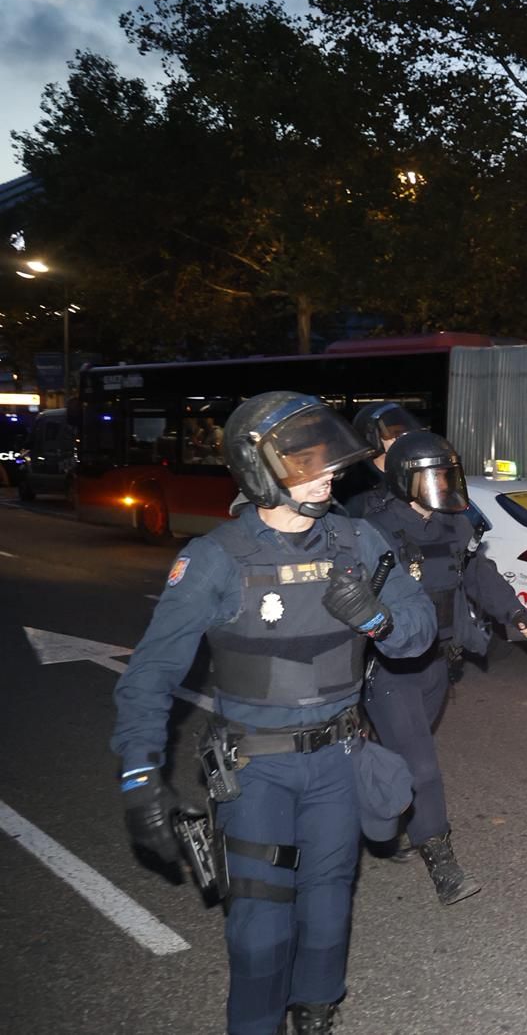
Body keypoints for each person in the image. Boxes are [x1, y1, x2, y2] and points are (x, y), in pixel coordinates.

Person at [111, 391, 437, 1035]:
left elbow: (419, 631)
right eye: (304, 463)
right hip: (254, 769)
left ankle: (317, 1011)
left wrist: (376, 617)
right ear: (260, 469)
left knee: (328, 902)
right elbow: (150, 673)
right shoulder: (216, 558)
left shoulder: (357, 539)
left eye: (327, 461)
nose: (327, 474)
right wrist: (139, 775)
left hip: (340, 759)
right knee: (261, 920)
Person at [360, 431, 527, 904]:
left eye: (445, 473)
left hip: (440, 660)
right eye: (431, 474)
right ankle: (443, 862)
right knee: (421, 762)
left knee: (398, 756)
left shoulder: (454, 525)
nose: (441, 481)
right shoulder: (372, 530)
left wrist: (514, 613)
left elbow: (478, 574)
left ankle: (381, 821)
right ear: (404, 479)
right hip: (391, 665)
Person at [344, 401, 423, 518]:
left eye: (406, 433)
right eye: (395, 433)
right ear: (372, 438)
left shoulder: (418, 473)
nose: (404, 439)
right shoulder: (356, 486)